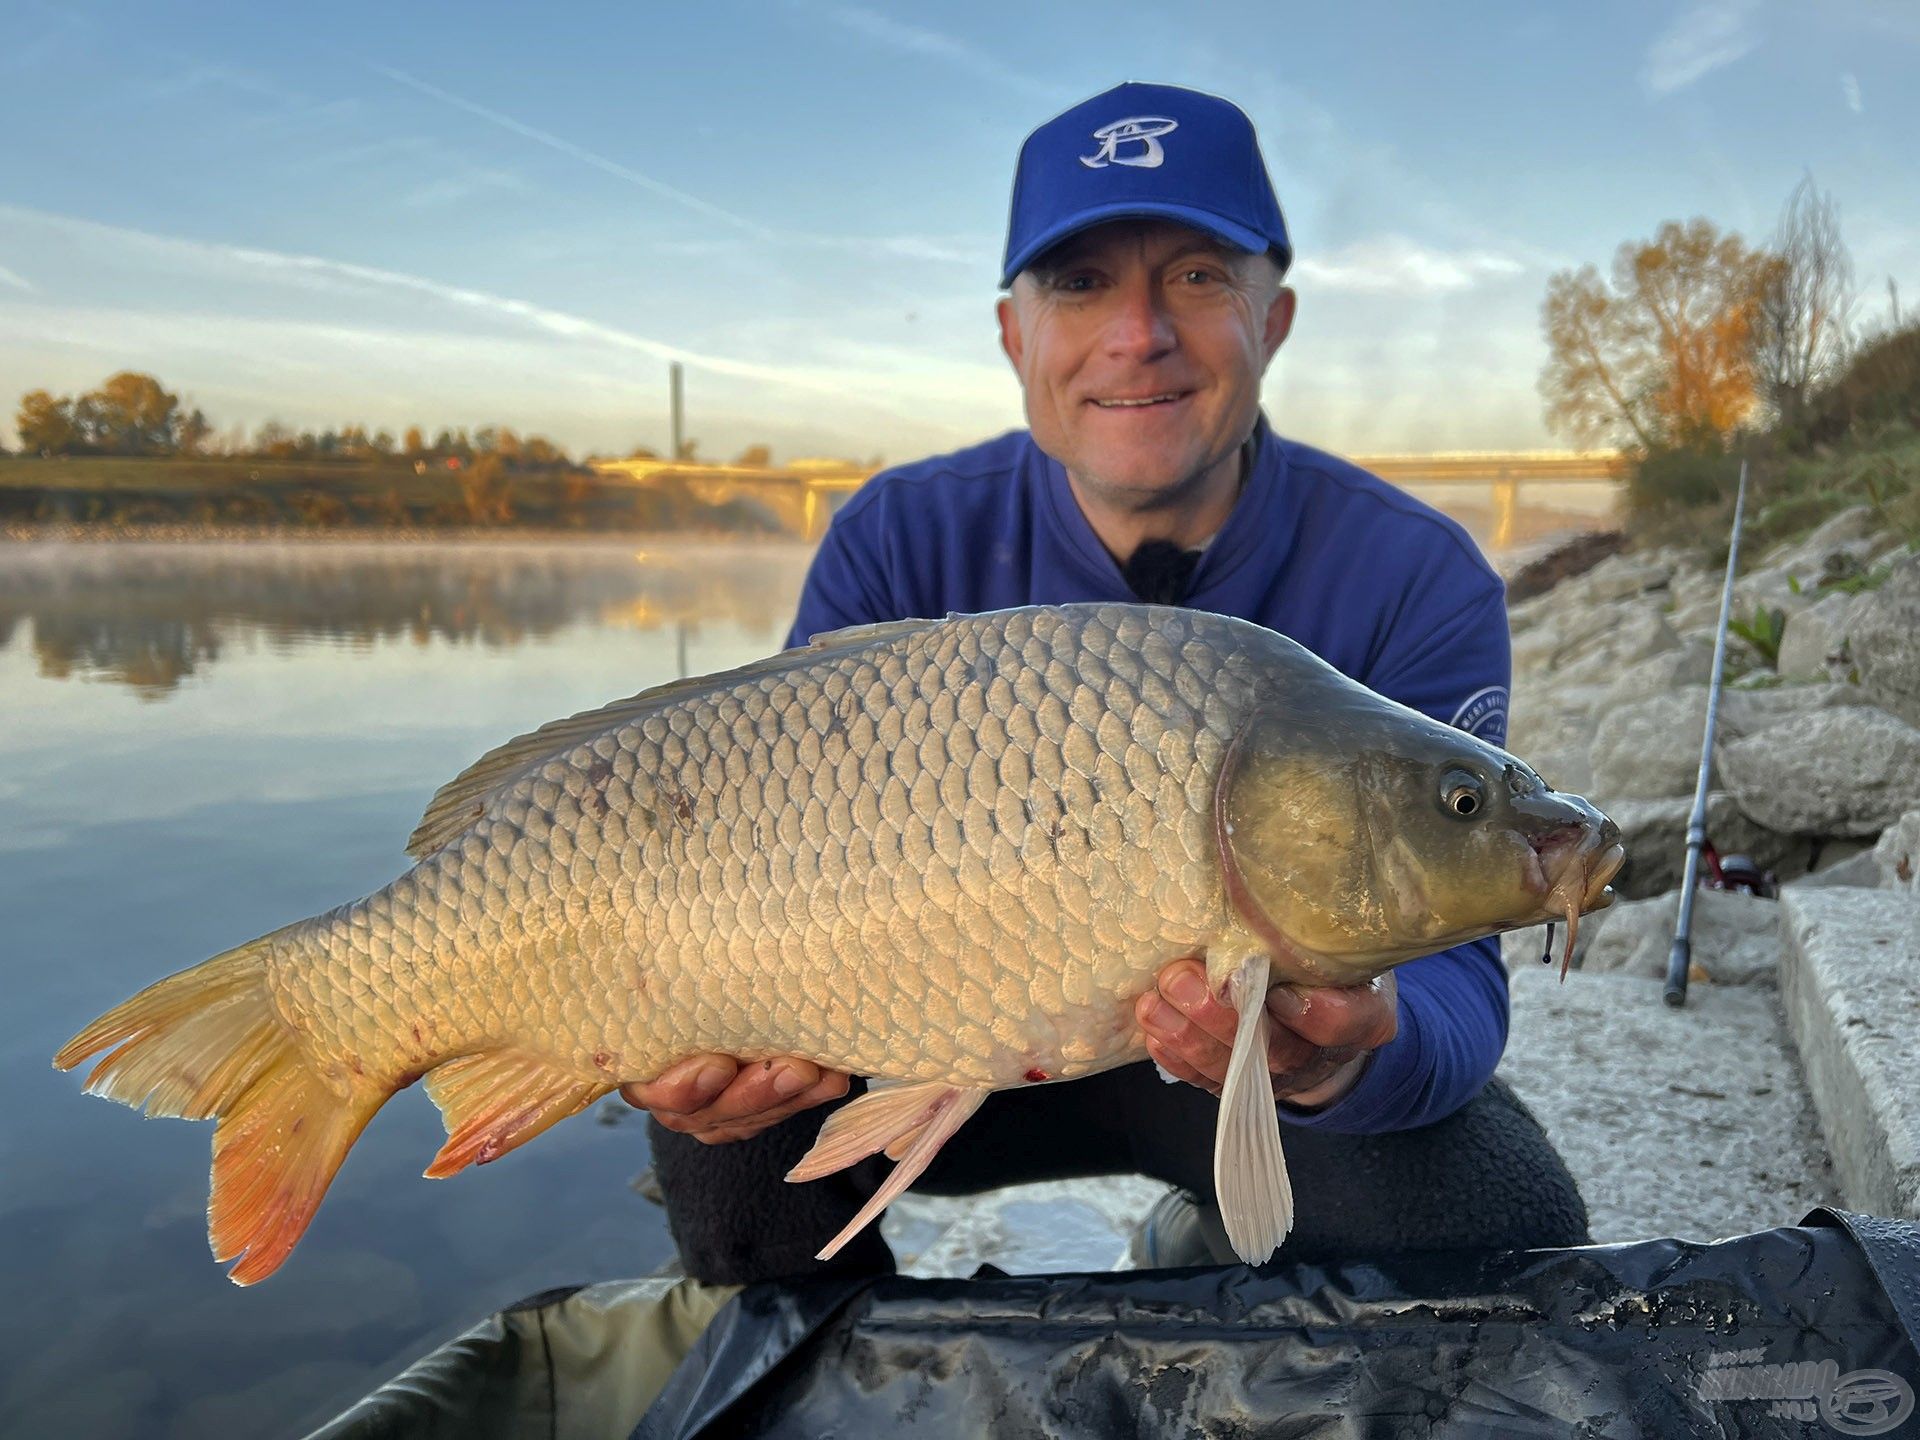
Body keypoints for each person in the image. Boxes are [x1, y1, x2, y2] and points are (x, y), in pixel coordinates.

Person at [622, 82, 1588, 1285]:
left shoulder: (1415, 574)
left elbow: (1456, 988)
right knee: (718, 1144)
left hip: (1240, 1081)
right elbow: (751, 846)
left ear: (1273, 318)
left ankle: (1213, 1238)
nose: (1139, 334)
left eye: (1195, 277)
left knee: (1499, 1211)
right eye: (1080, 283)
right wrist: (683, 1033)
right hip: (923, 1038)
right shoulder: (894, 538)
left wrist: (1348, 1054)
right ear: (1013, 333)